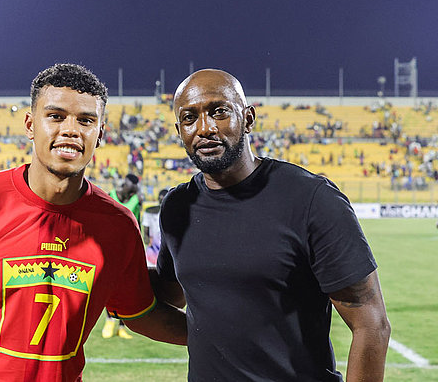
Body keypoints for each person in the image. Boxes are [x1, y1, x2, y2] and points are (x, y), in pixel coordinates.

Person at [0, 63, 186, 382]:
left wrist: (224, 335)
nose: (70, 130)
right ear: (30, 124)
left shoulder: (117, 225)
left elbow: (141, 315)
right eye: (55, 116)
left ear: (101, 134)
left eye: (86, 120)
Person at [152, 69, 390, 381]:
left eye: (219, 112)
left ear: (248, 119)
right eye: (189, 117)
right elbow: (173, 294)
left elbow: (371, 322)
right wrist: (106, 268)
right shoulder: (177, 207)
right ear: (179, 130)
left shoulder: (310, 199)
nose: (205, 128)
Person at [101, 173, 143, 339]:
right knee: (108, 286)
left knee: (125, 288)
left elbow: (138, 223)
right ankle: (109, 320)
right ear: (127, 184)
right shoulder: (110, 195)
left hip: (127, 250)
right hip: (109, 248)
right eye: (133, 186)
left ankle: (121, 326)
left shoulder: (136, 201)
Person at [142, 188, 169, 267]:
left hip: (164, 252)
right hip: (153, 252)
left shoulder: (172, 214)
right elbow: (146, 231)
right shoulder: (149, 212)